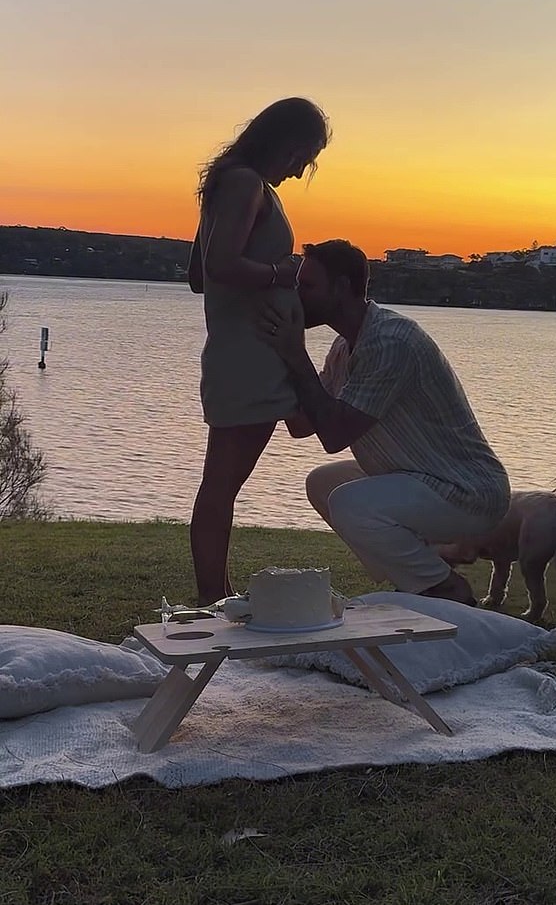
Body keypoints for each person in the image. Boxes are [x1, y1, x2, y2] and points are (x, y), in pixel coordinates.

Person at [256, 240, 511, 605]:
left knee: (349, 503)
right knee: (323, 483)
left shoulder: (389, 342)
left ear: (342, 287)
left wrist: (295, 353)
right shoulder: (345, 348)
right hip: (421, 477)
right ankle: (418, 573)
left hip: (468, 492)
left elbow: (333, 435)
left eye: (307, 286)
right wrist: (275, 357)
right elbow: (301, 425)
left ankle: (444, 587)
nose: (298, 296)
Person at [187, 97, 331, 605]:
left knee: (224, 485)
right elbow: (219, 266)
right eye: (303, 155)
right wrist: (280, 274)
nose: (301, 170)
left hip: (246, 355)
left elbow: (196, 275)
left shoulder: (230, 184)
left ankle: (219, 596)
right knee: (220, 488)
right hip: (247, 360)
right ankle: (211, 603)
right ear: (282, 140)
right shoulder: (247, 184)